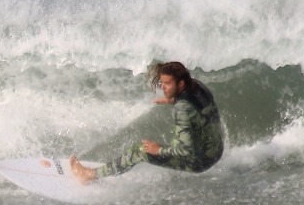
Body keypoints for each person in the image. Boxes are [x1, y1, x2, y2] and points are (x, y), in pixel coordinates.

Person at [70, 61, 223, 184]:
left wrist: (159, 150)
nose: (163, 87)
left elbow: (186, 151)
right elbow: (200, 111)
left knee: (140, 150)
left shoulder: (182, 109)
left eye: (168, 84)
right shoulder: (197, 86)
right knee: (182, 134)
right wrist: (173, 99)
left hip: (200, 161)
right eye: (162, 83)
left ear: (181, 84)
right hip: (216, 151)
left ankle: (89, 175)